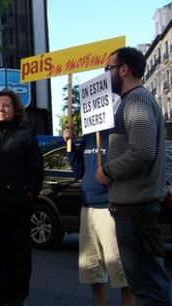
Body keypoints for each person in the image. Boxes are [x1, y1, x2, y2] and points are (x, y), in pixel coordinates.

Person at [95, 47, 172, 305]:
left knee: (148, 286)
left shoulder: (136, 102)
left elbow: (143, 151)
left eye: (108, 69)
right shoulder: (133, 101)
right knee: (146, 283)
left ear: (123, 70)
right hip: (135, 209)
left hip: (136, 211)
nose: (106, 75)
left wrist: (107, 171)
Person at [0, 91, 43, 306]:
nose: (2, 109)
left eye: (6, 105)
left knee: (19, 255)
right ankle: (2, 292)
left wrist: (29, 195)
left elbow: (36, 169)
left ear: (15, 110)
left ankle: (17, 296)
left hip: (17, 208)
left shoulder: (25, 134)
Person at [63, 127, 134, 306]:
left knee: (121, 274)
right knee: (93, 273)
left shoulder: (117, 134)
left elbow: (127, 167)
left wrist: (109, 173)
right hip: (88, 209)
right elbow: (78, 171)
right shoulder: (89, 135)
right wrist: (69, 145)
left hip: (110, 209)